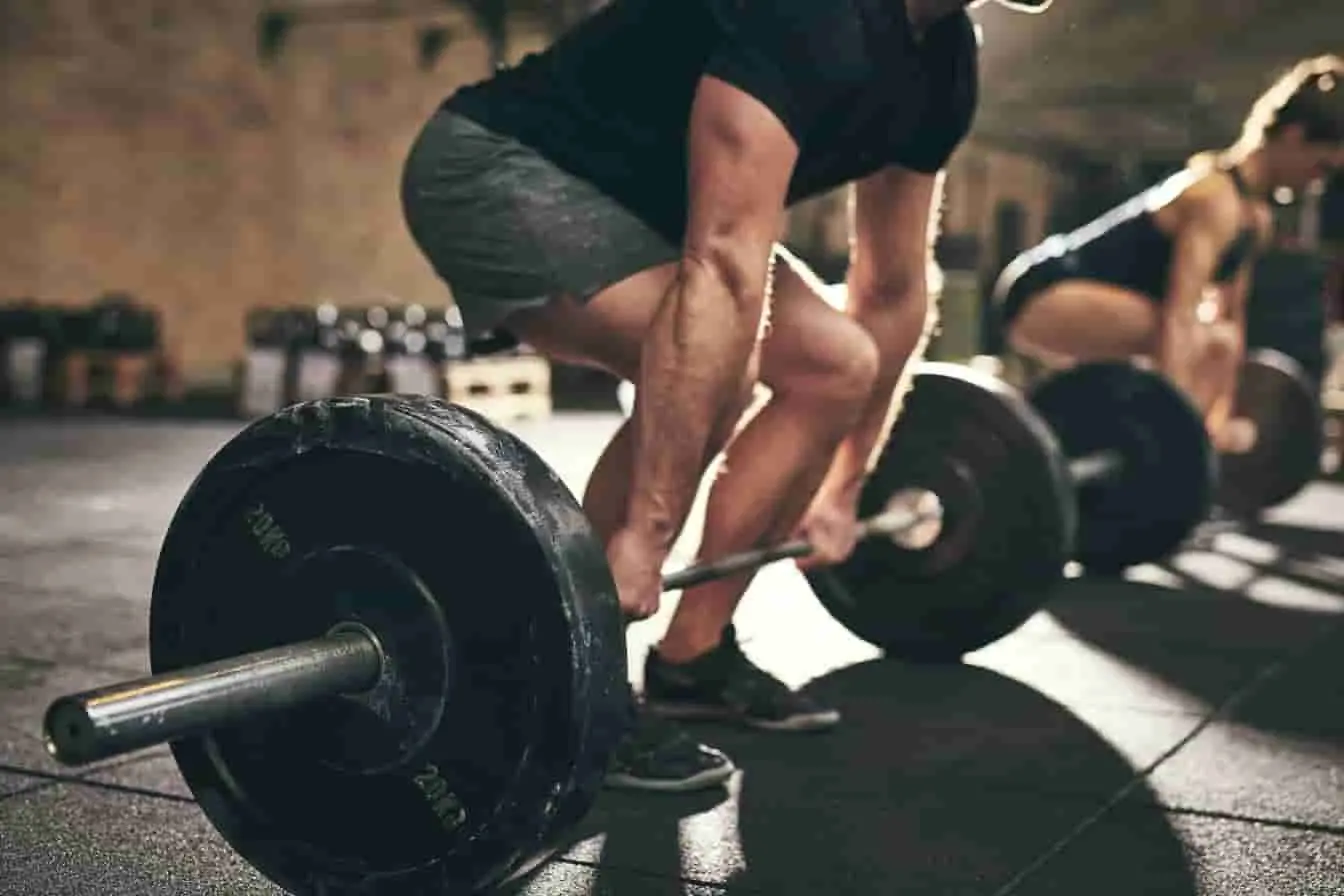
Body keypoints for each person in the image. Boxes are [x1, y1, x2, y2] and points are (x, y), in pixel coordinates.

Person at [400, 0, 1054, 793]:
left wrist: (848, 483)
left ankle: (692, 658)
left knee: (836, 365)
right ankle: (569, 685)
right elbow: (723, 264)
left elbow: (889, 289)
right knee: (721, 371)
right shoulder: (813, 16)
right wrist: (647, 531)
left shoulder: (943, 58)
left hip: (649, 211)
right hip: (501, 168)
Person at [996, 55, 1344, 453]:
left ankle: (1176, 443)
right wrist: (1174, 429)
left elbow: (1233, 318)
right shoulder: (1214, 198)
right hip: (1042, 292)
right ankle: (1165, 440)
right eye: (1321, 167)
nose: (1318, 183)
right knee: (1197, 336)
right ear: (1294, 137)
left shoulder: (1255, 218)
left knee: (1221, 340)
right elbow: (1179, 316)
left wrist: (1220, 417)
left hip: (1108, 305)